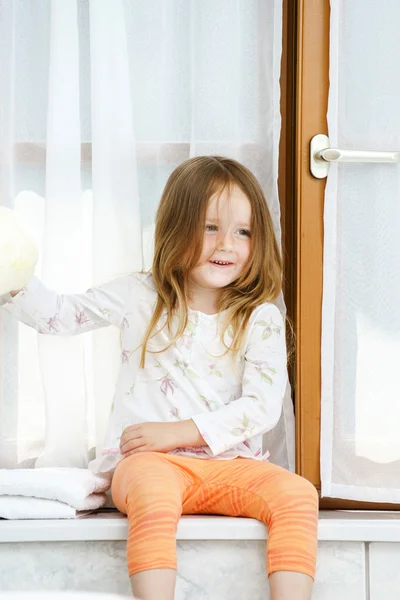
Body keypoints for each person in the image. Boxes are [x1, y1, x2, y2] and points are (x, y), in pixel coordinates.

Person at [2, 156, 318, 600]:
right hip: (149, 466)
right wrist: (12, 276)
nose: (225, 243)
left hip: (232, 466)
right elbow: (61, 316)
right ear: (176, 226)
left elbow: (261, 407)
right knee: (151, 493)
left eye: (242, 231)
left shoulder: (258, 317)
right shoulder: (140, 294)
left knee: (298, 494)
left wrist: (174, 433)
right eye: (210, 227)